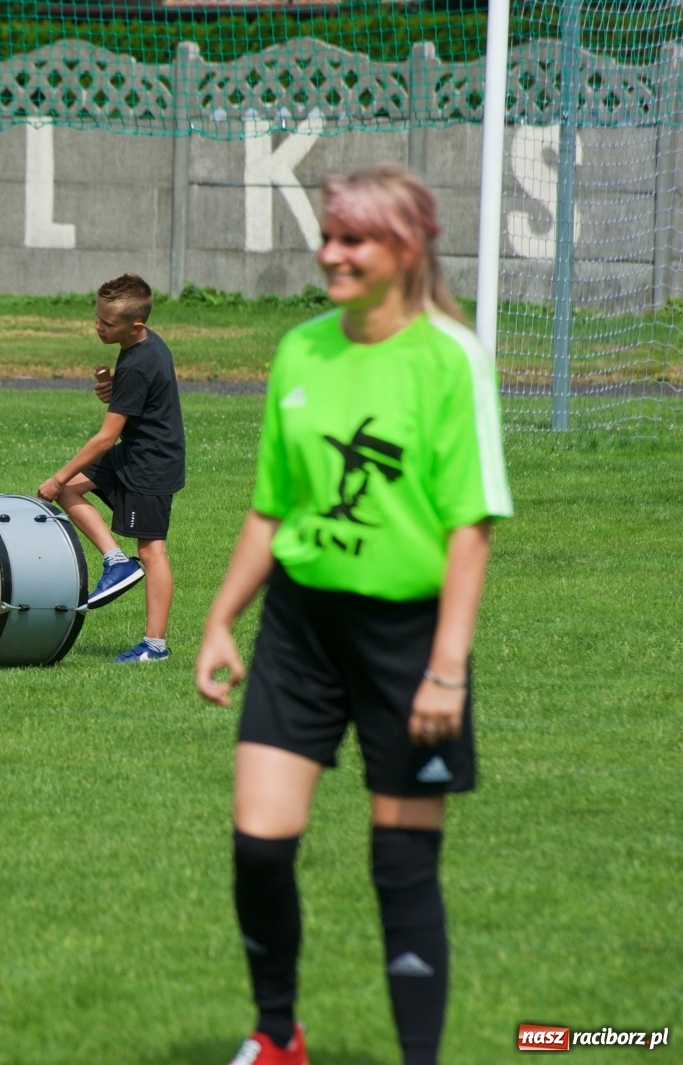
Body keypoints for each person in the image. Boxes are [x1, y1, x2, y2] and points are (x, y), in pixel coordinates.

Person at [193, 163, 513, 1065]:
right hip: (300, 629)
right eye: (328, 235)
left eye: (352, 239)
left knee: (401, 867)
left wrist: (447, 665)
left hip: (409, 640)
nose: (330, 252)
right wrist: (221, 619)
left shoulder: (451, 357)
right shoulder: (301, 349)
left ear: (404, 250)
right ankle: (277, 1032)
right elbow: (272, 507)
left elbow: (469, 525)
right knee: (259, 846)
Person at [37, 272, 185, 663]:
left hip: (150, 465)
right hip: (134, 452)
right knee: (73, 490)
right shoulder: (140, 347)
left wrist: (56, 477)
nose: (98, 327)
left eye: (107, 323)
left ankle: (155, 647)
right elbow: (140, 393)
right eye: (97, 318)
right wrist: (116, 388)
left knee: (152, 552)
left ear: (136, 324)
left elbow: (104, 438)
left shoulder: (140, 361)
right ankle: (116, 563)